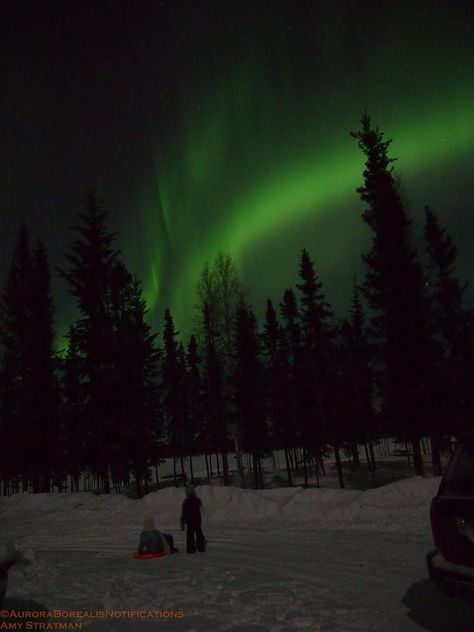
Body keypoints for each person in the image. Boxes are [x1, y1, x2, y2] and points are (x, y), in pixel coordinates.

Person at [180, 486, 206, 553]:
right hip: (197, 520)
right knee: (199, 533)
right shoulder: (197, 501)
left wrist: (182, 523)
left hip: (190, 521)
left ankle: (190, 549)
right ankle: (201, 547)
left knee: (190, 535)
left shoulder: (186, 502)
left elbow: (184, 513)